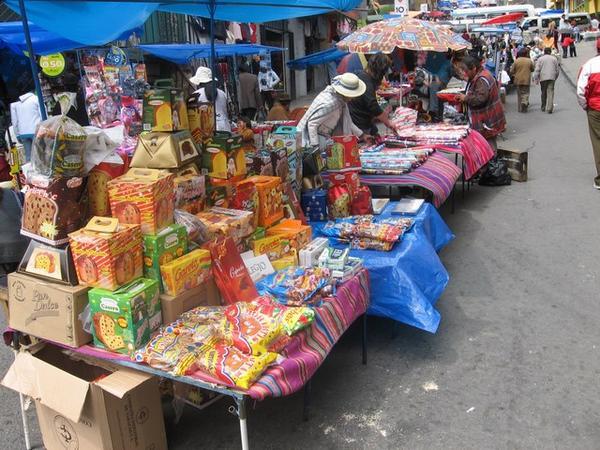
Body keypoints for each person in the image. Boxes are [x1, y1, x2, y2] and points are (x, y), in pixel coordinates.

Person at [297, 73, 368, 148]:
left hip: (321, 134)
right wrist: (315, 147)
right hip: (306, 139)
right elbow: (312, 124)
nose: (353, 99)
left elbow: (348, 122)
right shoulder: (332, 103)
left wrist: (362, 135)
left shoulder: (339, 99)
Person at [455, 55, 506, 151]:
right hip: (488, 119)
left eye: (466, 71)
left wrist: (465, 98)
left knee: (488, 147)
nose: (465, 73)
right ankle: (490, 163)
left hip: (487, 120)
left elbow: (480, 99)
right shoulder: (481, 74)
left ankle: (491, 164)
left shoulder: (481, 79)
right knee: (488, 145)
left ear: (473, 68)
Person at [348, 53, 394, 136]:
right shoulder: (365, 79)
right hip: (360, 124)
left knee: (376, 134)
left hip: (364, 121)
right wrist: (388, 122)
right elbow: (372, 105)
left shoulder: (364, 76)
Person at [577, 39, 600, 189]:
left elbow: (581, 90)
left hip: (595, 109)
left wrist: (586, 107)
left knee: (597, 141)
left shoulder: (590, 65)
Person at [189, 66, 231, 132]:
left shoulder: (195, 95)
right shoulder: (222, 93)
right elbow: (227, 111)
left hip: (207, 130)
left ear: (199, 82)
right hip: (225, 128)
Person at [10, 83, 41, 162]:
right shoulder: (36, 99)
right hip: (37, 131)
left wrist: (17, 135)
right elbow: (43, 115)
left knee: (28, 156)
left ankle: (30, 173)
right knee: (40, 155)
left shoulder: (15, 103)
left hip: (23, 134)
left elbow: (15, 122)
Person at [534, 47, 560, 114]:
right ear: (550, 52)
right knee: (550, 92)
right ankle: (549, 108)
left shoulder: (540, 59)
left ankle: (543, 106)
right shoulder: (554, 59)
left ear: (544, 52)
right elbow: (557, 70)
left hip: (543, 78)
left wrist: (536, 78)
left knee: (543, 92)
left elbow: (537, 69)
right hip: (552, 77)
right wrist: (555, 77)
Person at [510, 48, 534, 113]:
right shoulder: (529, 61)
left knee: (519, 94)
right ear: (526, 54)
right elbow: (532, 69)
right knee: (526, 93)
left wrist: (514, 73)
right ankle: (524, 102)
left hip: (518, 80)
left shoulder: (516, 61)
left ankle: (520, 108)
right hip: (526, 79)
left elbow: (511, 71)